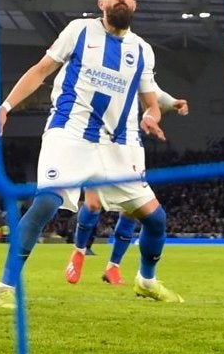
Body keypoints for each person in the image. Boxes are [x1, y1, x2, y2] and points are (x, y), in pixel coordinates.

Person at [0, 0, 181, 307]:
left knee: (155, 219)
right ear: (102, 3)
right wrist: (6, 106)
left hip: (121, 144)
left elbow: (150, 101)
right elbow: (40, 71)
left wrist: (154, 114)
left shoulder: (142, 51)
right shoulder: (79, 31)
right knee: (47, 203)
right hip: (70, 132)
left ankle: (146, 281)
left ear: (134, 4)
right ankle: (5, 288)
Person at [66, 85, 187, 285]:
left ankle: (113, 266)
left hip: (129, 145)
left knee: (131, 209)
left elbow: (151, 90)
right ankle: (79, 251)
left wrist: (172, 102)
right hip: (97, 139)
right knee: (93, 202)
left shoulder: (138, 58)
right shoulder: (99, 60)